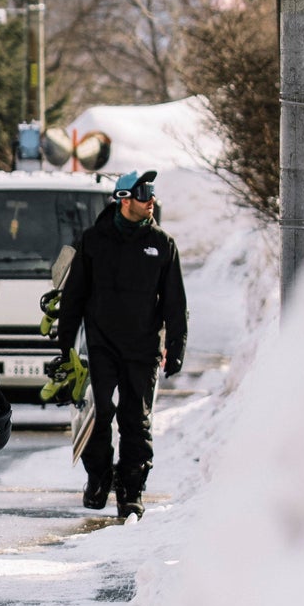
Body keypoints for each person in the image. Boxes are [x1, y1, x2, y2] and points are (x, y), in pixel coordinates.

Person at [56, 168, 188, 519]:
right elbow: (74, 298)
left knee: (136, 421)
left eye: (153, 193)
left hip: (142, 348)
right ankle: (98, 478)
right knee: (96, 414)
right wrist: (65, 346)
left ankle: (131, 491)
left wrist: (175, 347)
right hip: (99, 346)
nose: (151, 200)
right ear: (123, 199)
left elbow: (174, 302)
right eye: (144, 193)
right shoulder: (94, 240)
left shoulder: (161, 244)